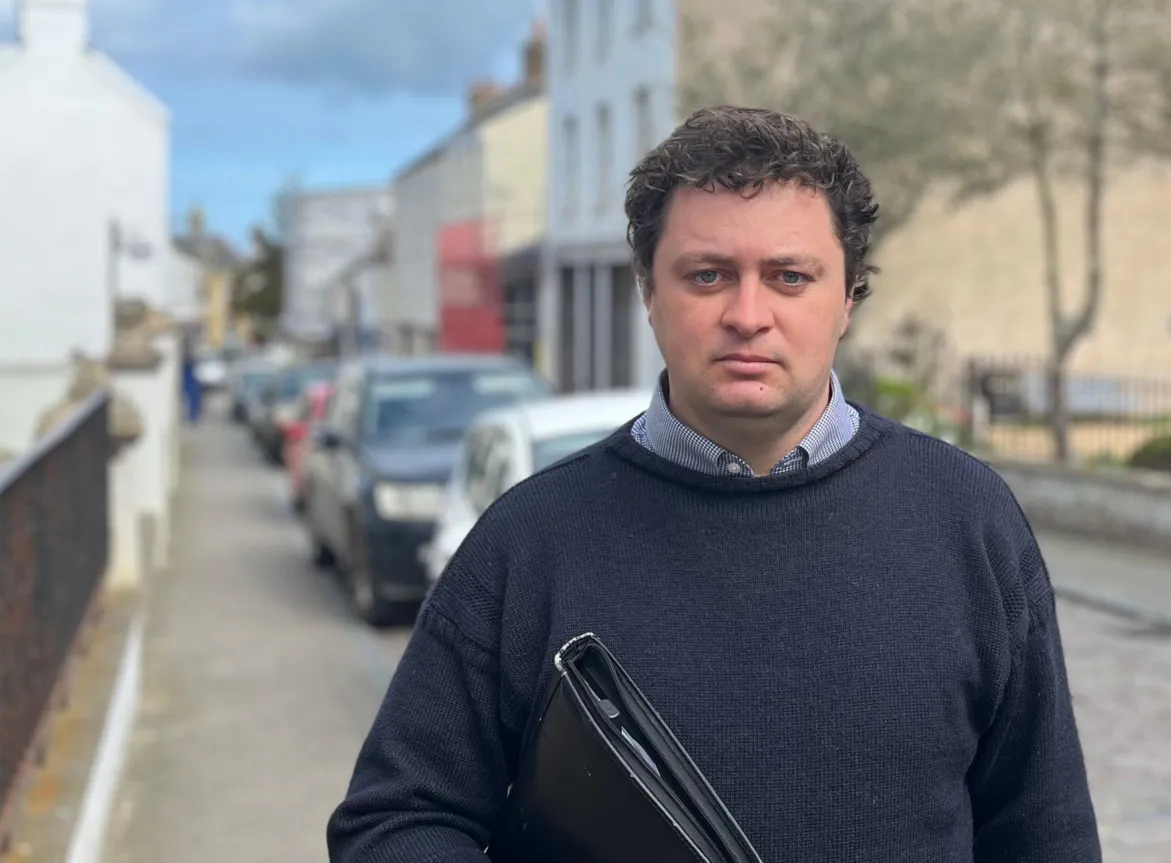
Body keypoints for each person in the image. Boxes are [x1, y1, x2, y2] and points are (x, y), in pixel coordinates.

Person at [328, 106, 1101, 862]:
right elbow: (394, 821)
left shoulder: (966, 520)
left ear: (848, 298)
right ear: (648, 290)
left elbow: (1045, 834)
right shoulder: (529, 541)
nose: (748, 314)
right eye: (708, 275)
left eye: (790, 276)